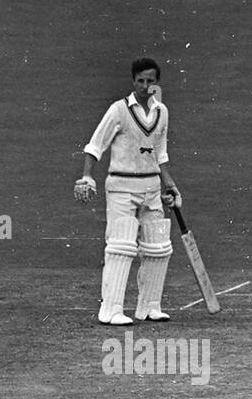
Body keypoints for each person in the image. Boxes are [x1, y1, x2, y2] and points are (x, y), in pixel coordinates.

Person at [75, 57, 183, 325]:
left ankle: (149, 307)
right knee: (121, 246)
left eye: (151, 81)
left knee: (158, 247)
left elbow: (161, 154)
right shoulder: (119, 110)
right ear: (133, 81)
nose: (145, 86)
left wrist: (170, 185)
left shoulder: (162, 112)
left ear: (157, 82)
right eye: (141, 81)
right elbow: (95, 146)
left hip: (152, 186)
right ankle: (110, 310)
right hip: (121, 187)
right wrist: (87, 176)